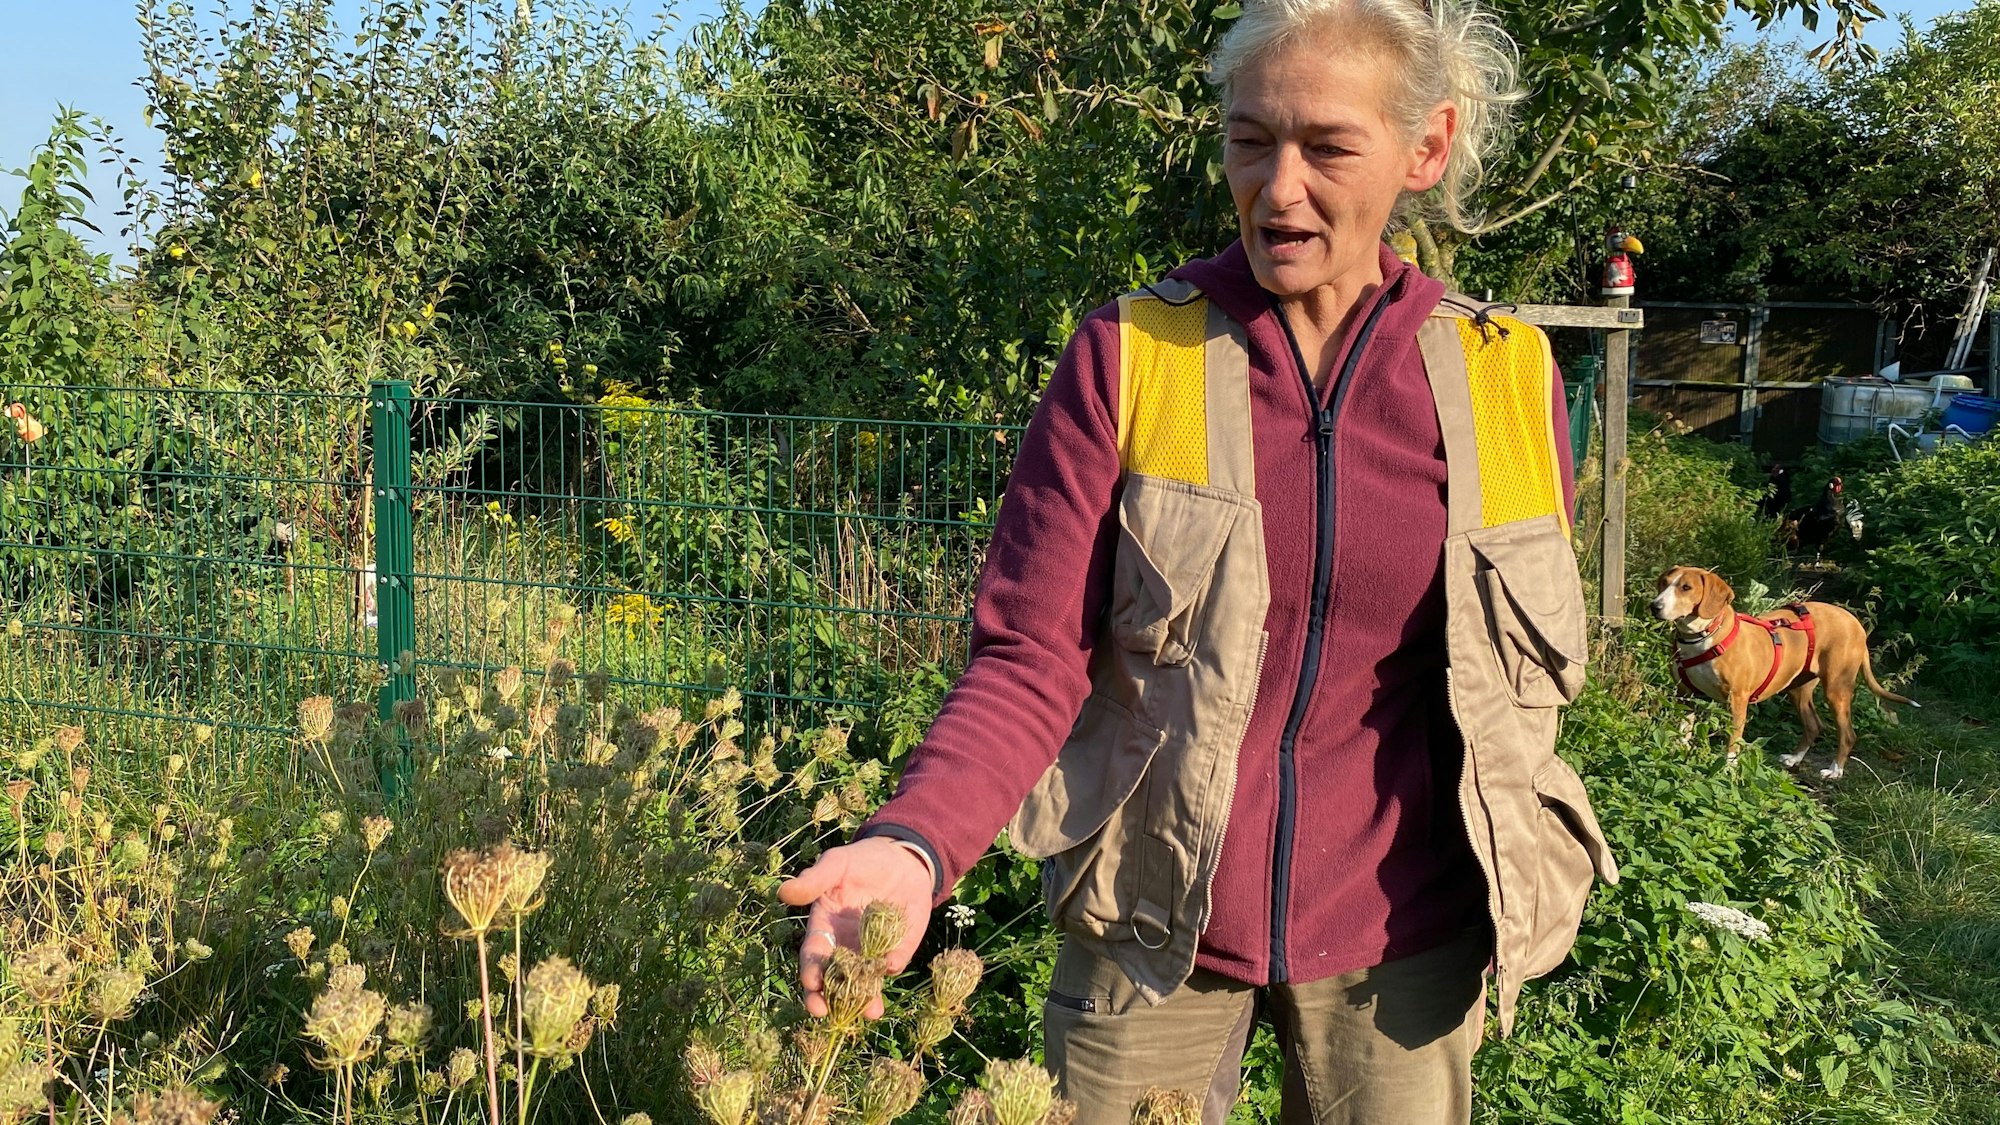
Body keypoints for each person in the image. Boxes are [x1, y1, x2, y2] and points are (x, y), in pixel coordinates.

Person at [779, 0, 1619, 1120]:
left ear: (1426, 149)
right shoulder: (1132, 355)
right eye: (1249, 140)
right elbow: (1029, 656)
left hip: (1402, 940)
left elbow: (1504, 687)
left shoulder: (1503, 375)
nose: (1277, 189)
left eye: (1327, 147)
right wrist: (913, 844)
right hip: (1145, 923)